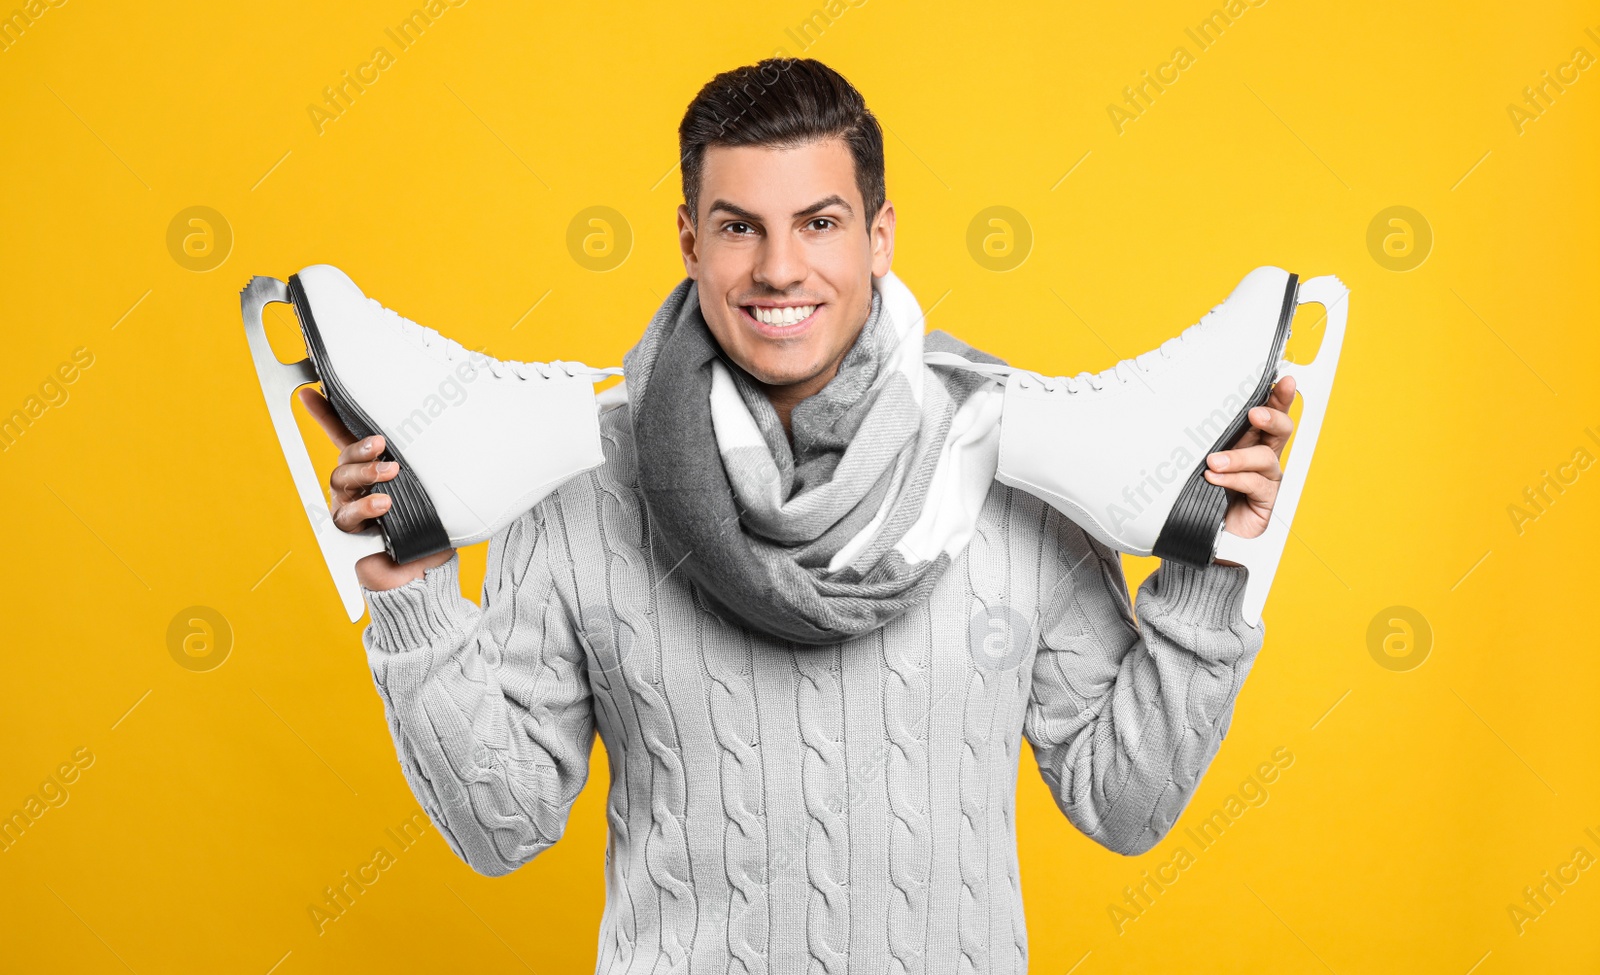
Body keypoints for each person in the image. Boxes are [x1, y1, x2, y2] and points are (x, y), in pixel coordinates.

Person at [300, 58, 1297, 970]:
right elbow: (499, 825)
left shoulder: (1006, 463)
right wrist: (412, 592)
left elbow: (1120, 803)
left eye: (818, 223)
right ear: (691, 242)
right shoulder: (577, 485)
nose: (780, 269)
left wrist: (1209, 564)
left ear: (879, 236)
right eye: (740, 226)